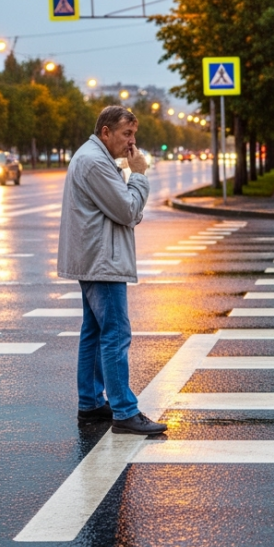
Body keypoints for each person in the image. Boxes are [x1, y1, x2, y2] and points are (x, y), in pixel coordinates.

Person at [57, 105, 167, 435]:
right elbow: (128, 208)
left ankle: (90, 404)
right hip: (103, 261)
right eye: (126, 134)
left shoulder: (95, 157)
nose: (132, 142)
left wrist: (128, 202)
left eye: (134, 134)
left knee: (94, 332)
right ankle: (124, 410)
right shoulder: (94, 162)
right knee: (116, 333)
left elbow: (121, 209)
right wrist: (140, 175)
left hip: (96, 256)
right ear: (106, 132)